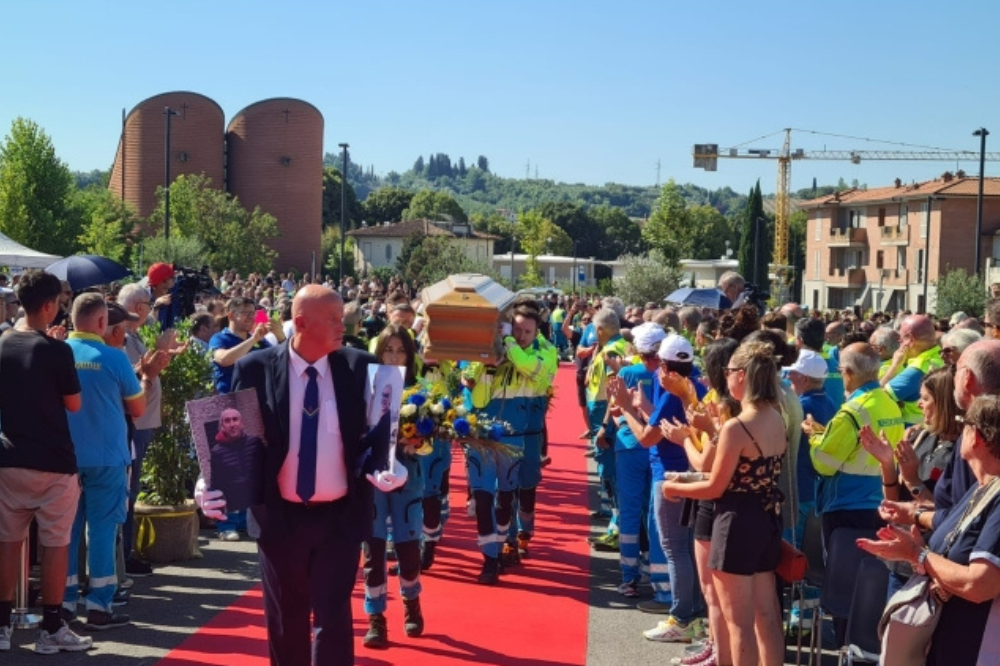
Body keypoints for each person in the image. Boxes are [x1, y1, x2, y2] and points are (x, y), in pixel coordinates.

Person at [196, 285, 407, 666]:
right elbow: (235, 436)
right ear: (301, 323)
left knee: (333, 617)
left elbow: (379, 436)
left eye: (342, 317)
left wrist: (392, 462)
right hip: (280, 517)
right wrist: (209, 478)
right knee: (286, 621)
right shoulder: (254, 368)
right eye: (333, 319)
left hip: (339, 517)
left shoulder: (359, 367)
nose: (342, 326)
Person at [662, 340, 788, 666]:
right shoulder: (776, 416)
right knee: (767, 615)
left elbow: (716, 487)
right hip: (767, 517)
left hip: (736, 522)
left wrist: (676, 488)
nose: (726, 376)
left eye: (730, 371)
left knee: (738, 622)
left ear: (742, 375)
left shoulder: (737, 426)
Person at [858, 394, 1000, 666]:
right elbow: (950, 521)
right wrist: (913, 513)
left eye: (965, 425)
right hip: (951, 645)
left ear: (977, 437)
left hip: (978, 650)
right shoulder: (984, 486)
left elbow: (980, 584)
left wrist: (916, 554)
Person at [0, 270, 90, 654]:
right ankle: (51, 627)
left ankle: (2, 627)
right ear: (51, 305)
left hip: (10, 456)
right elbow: (74, 403)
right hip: (53, 461)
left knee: (7, 542)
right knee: (56, 544)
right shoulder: (58, 350)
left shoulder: (2, 343)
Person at [63, 294, 147, 630]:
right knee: (101, 529)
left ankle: (63, 602)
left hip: (64, 457)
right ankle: (99, 605)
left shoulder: (57, 353)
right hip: (108, 458)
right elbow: (138, 409)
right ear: (101, 323)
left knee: (64, 532)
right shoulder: (114, 358)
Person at [616, 333, 707, 642]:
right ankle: (691, 616)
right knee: (686, 548)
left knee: (675, 547)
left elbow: (647, 438)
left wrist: (627, 407)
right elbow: (662, 427)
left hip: (669, 474)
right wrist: (643, 406)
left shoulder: (672, 393)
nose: (653, 370)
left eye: (656, 365)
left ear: (666, 367)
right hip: (688, 471)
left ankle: (682, 617)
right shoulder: (695, 383)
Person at [363, 326, 425, 649]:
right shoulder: (367, 385)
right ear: (379, 351)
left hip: (408, 477)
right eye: (389, 350)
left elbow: (431, 438)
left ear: (410, 355)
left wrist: (416, 440)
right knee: (373, 550)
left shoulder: (421, 389)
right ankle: (376, 617)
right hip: (373, 478)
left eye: (401, 351)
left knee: (408, 549)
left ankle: (411, 601)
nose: (394, 356)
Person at [807, 343, 905, 546]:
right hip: (881, 500)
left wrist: (814, 436)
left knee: (840, 572)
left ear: (849, 372)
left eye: (841, 371)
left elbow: (824, 464)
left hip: (846, 505)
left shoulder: (852, 412)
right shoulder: (889, 403)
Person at [880, 314, 944, 426]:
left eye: (900, 340)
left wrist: (894, 366)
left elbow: (877, 396)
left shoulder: (918, 368)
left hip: (911, 434)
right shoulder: (940, 357)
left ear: (910, 339)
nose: (900, 344)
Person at [209, 408, 264, 513]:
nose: (232, 424)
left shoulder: (255, 442)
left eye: (235, 419)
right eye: (227, 421)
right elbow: (216, 483)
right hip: (234, 509)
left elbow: (268, 471)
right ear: (222, 427)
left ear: (242, 423)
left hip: (259, 504)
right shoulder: (217, 452)